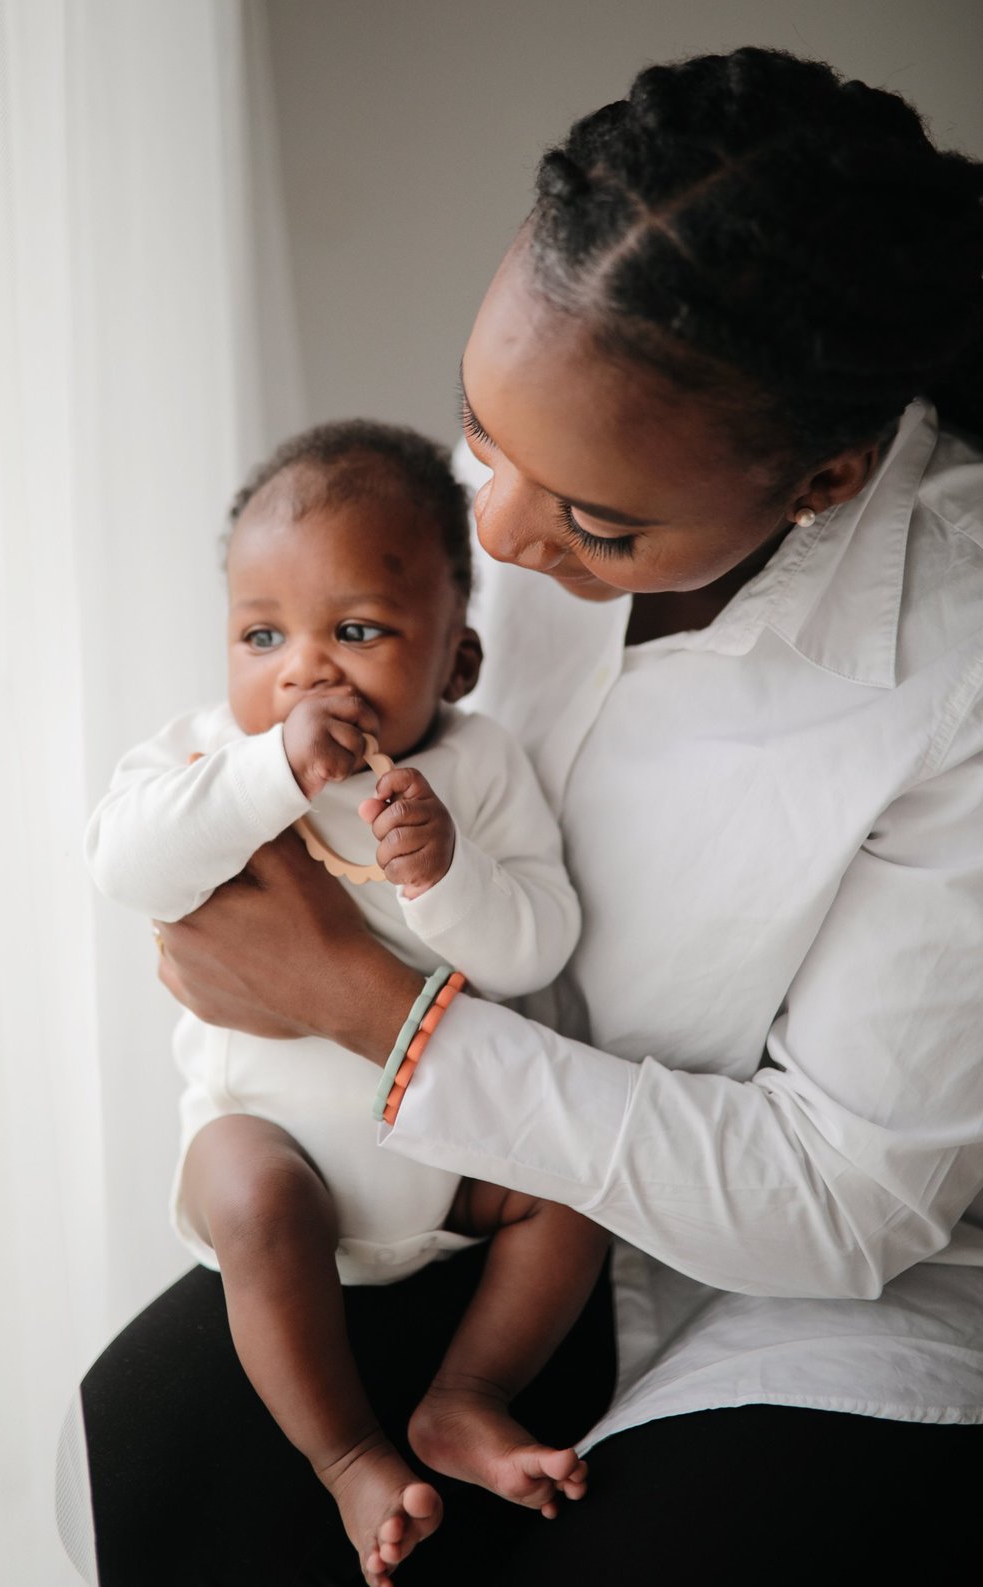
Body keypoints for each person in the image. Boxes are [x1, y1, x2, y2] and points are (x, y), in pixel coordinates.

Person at [69, 47, 983, 1584]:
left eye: (597, 524)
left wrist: (368, 1007)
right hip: (452, 1198)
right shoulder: (461, 538)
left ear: (823, 479)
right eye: (480, 433)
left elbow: (844, 1201)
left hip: (806, 1282)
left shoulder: (950, 673)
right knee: (161, 1443)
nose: (486, 534)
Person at [84, 420, 610, 1584]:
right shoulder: (202, 760)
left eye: (358, 631)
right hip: (286, 1158)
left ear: (456, 664)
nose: (305, 670)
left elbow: (536, 945)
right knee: (246, 1189)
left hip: (455, 1156)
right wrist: (270, 772)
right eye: (262, 633)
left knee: (582, 1191)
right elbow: (125, 866)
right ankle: (349, 1457)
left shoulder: (477, 770)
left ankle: (465, 1399)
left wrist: (444, 876)